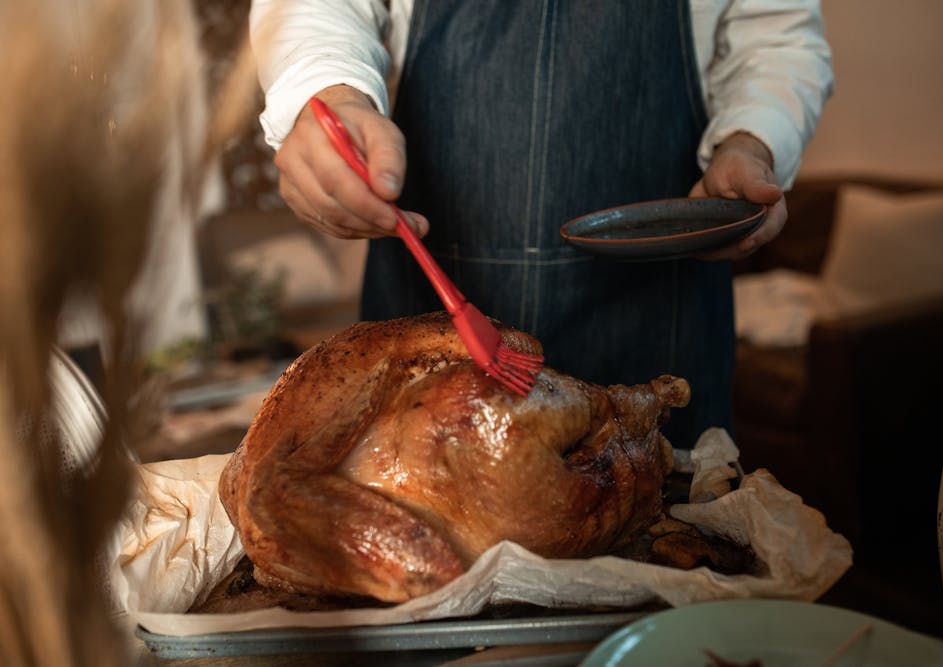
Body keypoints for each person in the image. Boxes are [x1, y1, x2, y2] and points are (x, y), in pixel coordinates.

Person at [248, 0, 833, 448]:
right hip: (428, 313)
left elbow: (775, 35)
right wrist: (328, 97)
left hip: (664, 318)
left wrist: (753, 141)